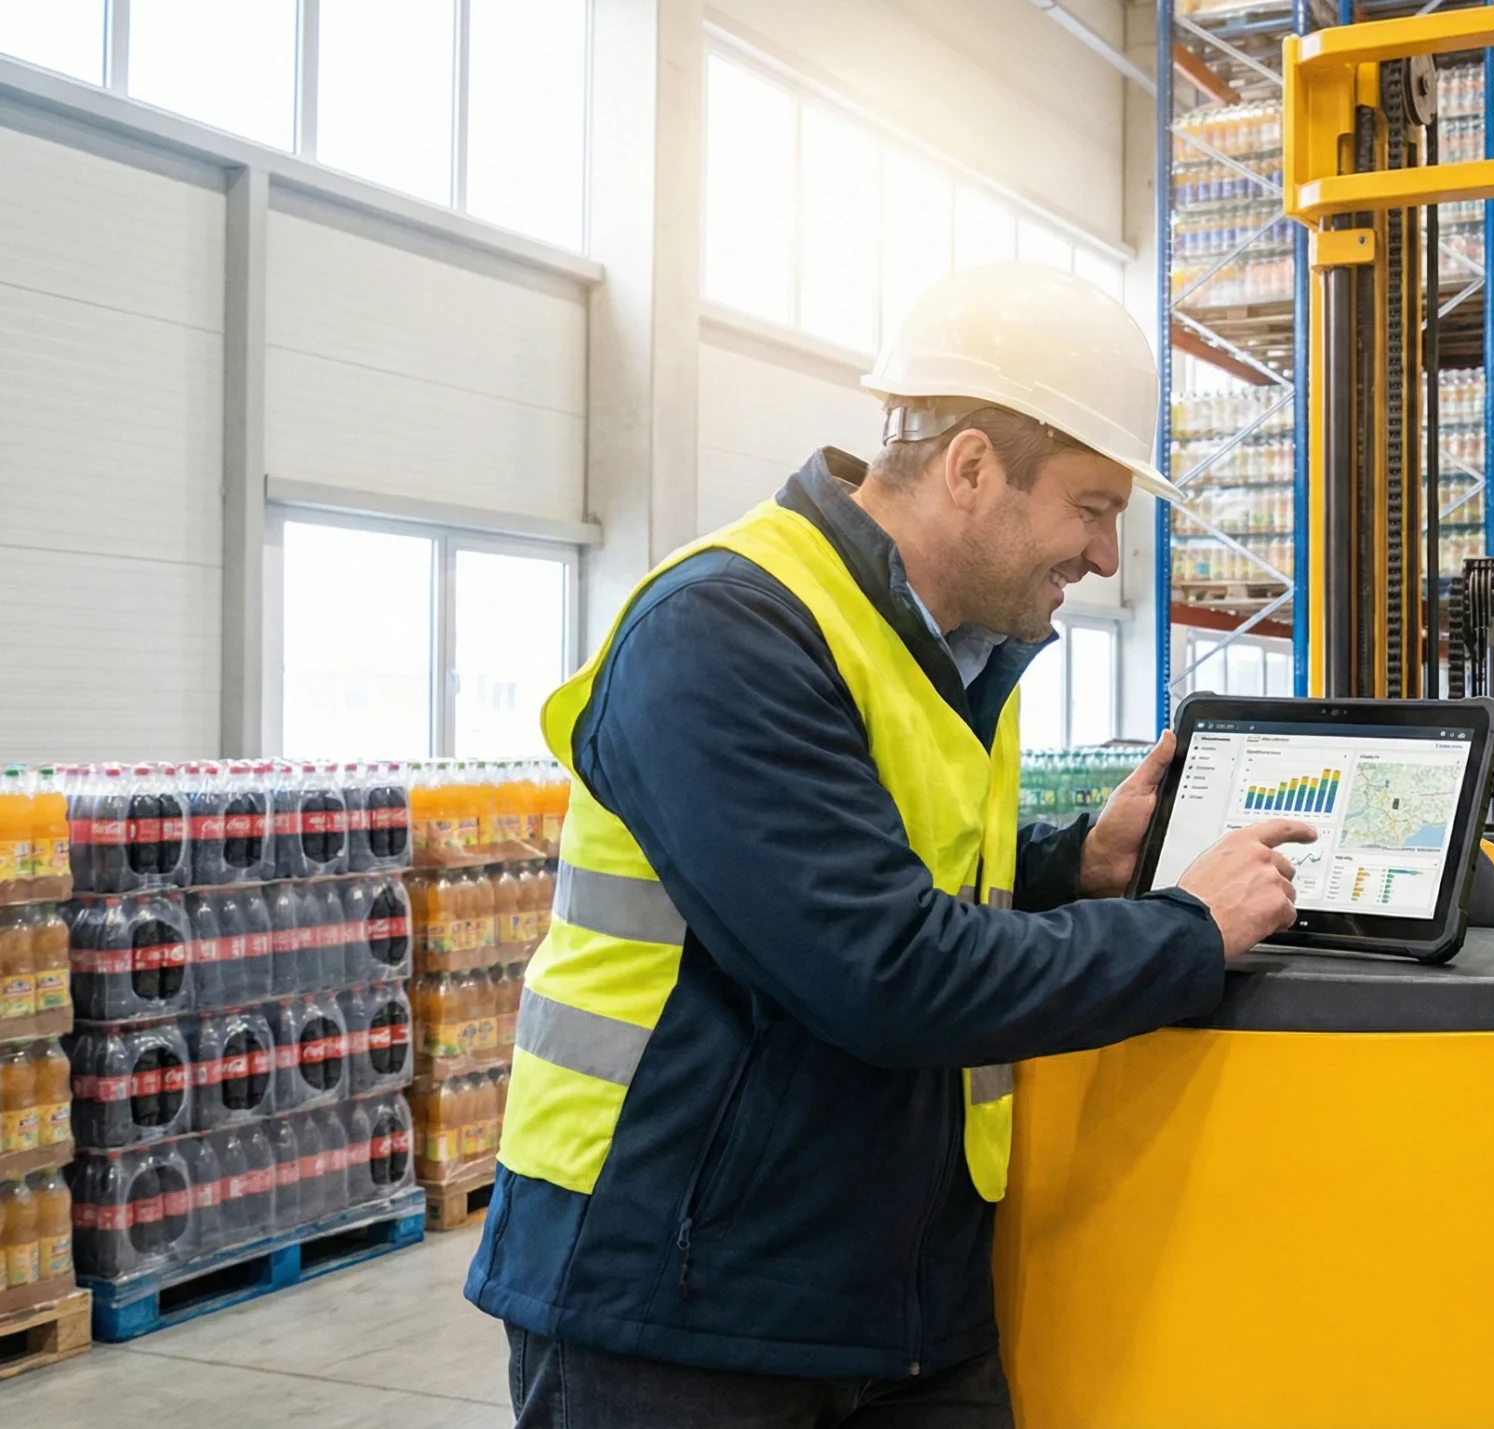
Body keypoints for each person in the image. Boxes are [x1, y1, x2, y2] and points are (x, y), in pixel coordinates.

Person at [466, 261, 1316, 1429]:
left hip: (901, 1296)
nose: (1105, 557)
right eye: (1091, 507)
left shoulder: (950, 649)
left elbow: (894, 867)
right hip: (678, 1298)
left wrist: (1074, 865)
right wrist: (1185, 931)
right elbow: (880, 965)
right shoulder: (723, 631)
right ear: (970, 469)